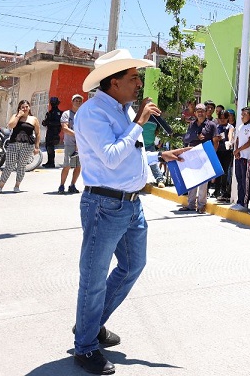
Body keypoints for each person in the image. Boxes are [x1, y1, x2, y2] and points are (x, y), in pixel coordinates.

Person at [71, 49, 187, 375]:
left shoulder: (124, 110)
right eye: (133, 77)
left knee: (133, 265)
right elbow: (110, 156)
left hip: (131, 204)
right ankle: (85, 346)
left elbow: (131, 155)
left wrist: (163, 156)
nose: (139, 83)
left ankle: (91, 325)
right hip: (104, 206)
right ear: (114, 82)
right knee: (93, 280)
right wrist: (138, 123)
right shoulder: (93, 113)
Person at [0, 100, 40, 194]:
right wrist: (18, 116)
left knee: (21, 166)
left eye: (26, 106)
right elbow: (10, 126)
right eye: (22, 107)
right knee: (9, 166)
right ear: (19, 108)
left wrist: (37, 147)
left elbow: (38, 133)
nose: (25, 109)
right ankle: (0, 187)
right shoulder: (15, 116)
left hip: (28, 145)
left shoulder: (33, 119)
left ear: (29, 107)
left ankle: (17, 186)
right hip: (14, 144)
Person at [181, 103, 218, 213]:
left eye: (202, 110)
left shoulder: (211, 125)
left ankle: (202, 205)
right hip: (192, 155)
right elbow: (186, 139)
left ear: (206, 112)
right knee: (192, 180)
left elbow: (216, 141)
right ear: (195, 113)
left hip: (205, 156)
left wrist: (213, 156)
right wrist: (196, 137)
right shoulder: (192, 124)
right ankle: (191, 204)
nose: (200, 113)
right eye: (198, 111)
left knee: (203, 182)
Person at [230, 107, 250, 211]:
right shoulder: (240, 126)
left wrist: (239, 150)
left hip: (246, 157)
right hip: (239, 157)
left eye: (245, 114)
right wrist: (236, 151)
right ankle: (239, 201)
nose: (242, 116)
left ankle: (244, 203)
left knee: (245, 181)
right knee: (239, 179)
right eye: (242, 114)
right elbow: (237, 139)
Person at [59, 94, 84, 194]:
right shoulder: (66, 114)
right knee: (67, 166)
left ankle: (72, 185)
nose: (78, 102)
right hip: (70, 144)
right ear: (72, 101)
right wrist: (77, 134)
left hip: (81, 145)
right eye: (76, 100)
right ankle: (61, 185)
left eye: (79, 101)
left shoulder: (83, 114)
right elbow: (65, 128)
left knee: (78, 166)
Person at [215, 110, 235, 202]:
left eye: (224, 118)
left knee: (225, 172)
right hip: (218, 151)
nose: (223, 120)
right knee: (218, 171)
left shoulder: (230, 127)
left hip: (226, 152)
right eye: (221, 118)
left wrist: (230, 141)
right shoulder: (217, 127)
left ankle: (224, 191)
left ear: (228, 118)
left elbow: (230, 134)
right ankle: (217, 191)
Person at [42, 96, 62, 168]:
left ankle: (51, 162)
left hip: (54, 132)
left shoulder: (58, 113)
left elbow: (58, 123)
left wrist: (48, 123)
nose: (53, 104)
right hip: (49, 131)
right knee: (48, 147)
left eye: (54, 103)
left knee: (50, 147)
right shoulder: (50, 112)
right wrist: (45, 122)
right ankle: (49, 161)